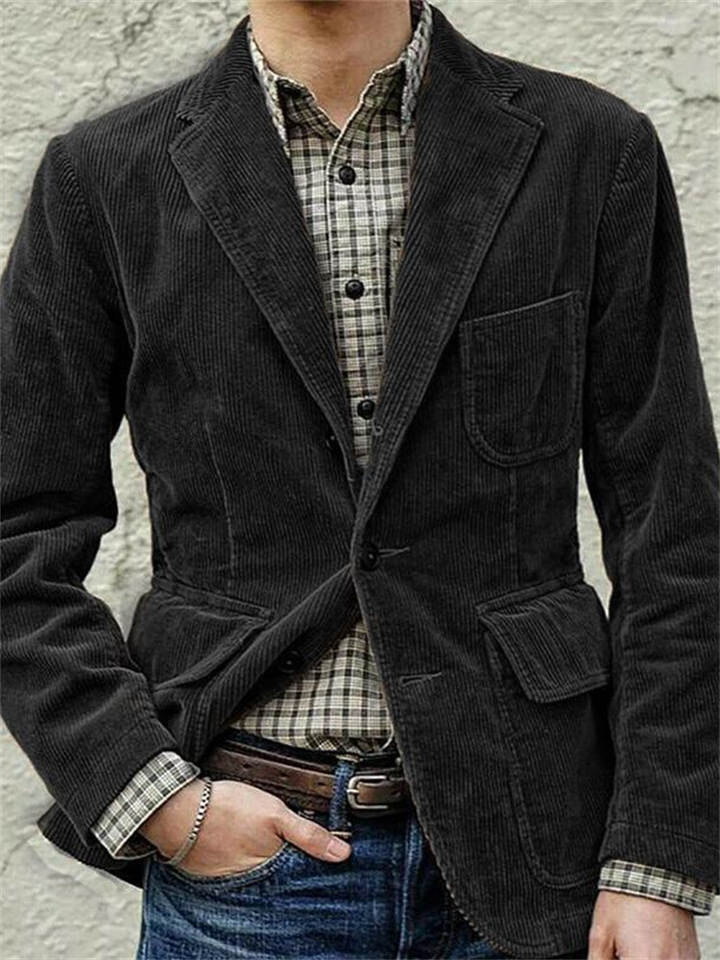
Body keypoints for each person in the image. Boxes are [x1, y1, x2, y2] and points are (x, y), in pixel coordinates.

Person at [1, 1, 717, 957]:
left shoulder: (590, 151)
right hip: (247, 879)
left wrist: (655, 862)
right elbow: (16, 535)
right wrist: (158, 799)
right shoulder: (103, 178)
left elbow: (676, 531)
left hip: (541, 847)